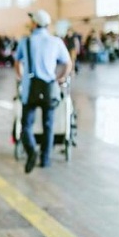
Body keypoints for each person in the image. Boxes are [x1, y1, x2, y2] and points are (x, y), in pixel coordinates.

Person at [14, 10, 72, 173]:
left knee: (26, 125)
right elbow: (68, 64)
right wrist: (59, 78)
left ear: (34, 24)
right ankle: (45, 159)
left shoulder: (25, 42)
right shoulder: (56, 41)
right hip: (49, 88)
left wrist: (20, 77)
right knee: (48, 125)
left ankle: (32, 150)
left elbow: (17, 62)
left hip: (30, 89)